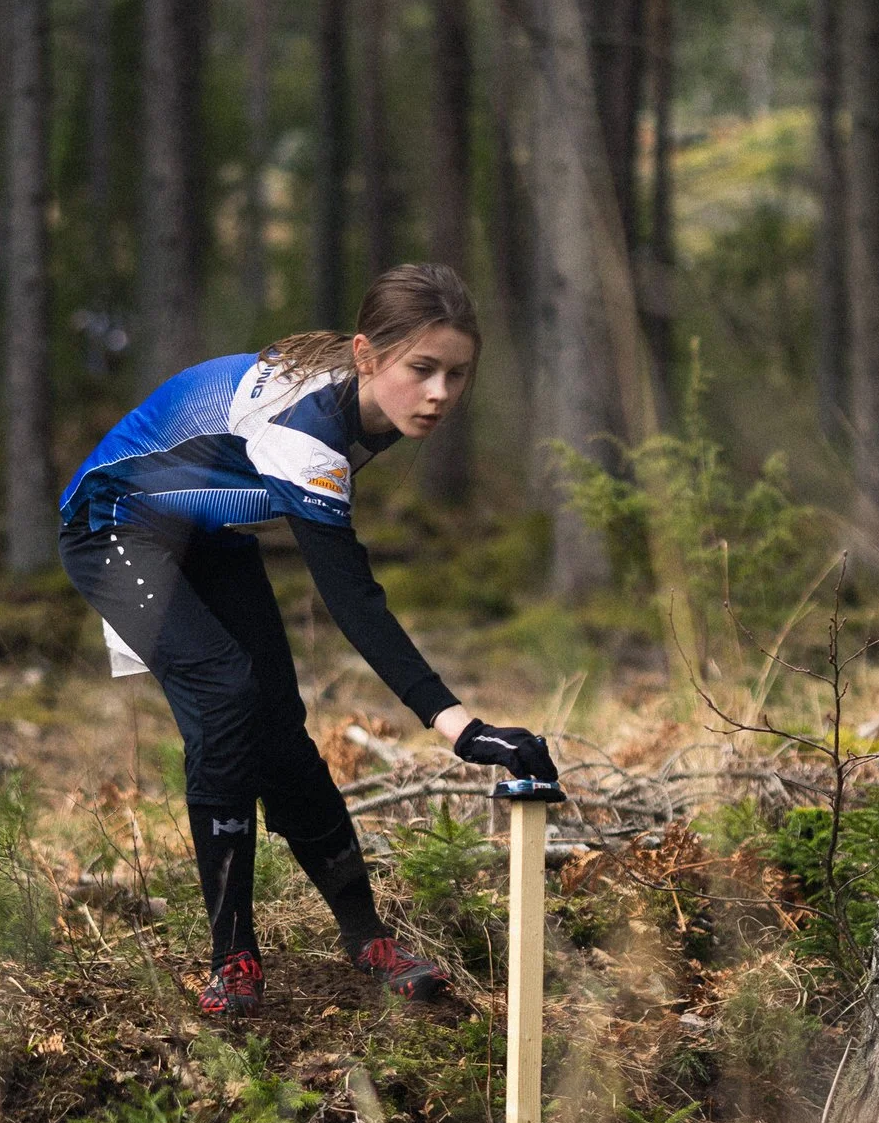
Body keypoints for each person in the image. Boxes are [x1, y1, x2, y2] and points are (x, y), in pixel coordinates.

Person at [58, 264, 558, 1016]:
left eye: (457, 374)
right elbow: (352, 598)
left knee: (277, 726)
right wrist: (460, 726)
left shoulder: (364, 400)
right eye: (422, 370)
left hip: (201, 527)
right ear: (365, 355)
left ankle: (366, 938)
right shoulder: (311, 435)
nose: (440, 394)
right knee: (227, 700)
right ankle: (234, 963)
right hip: (113, 525)